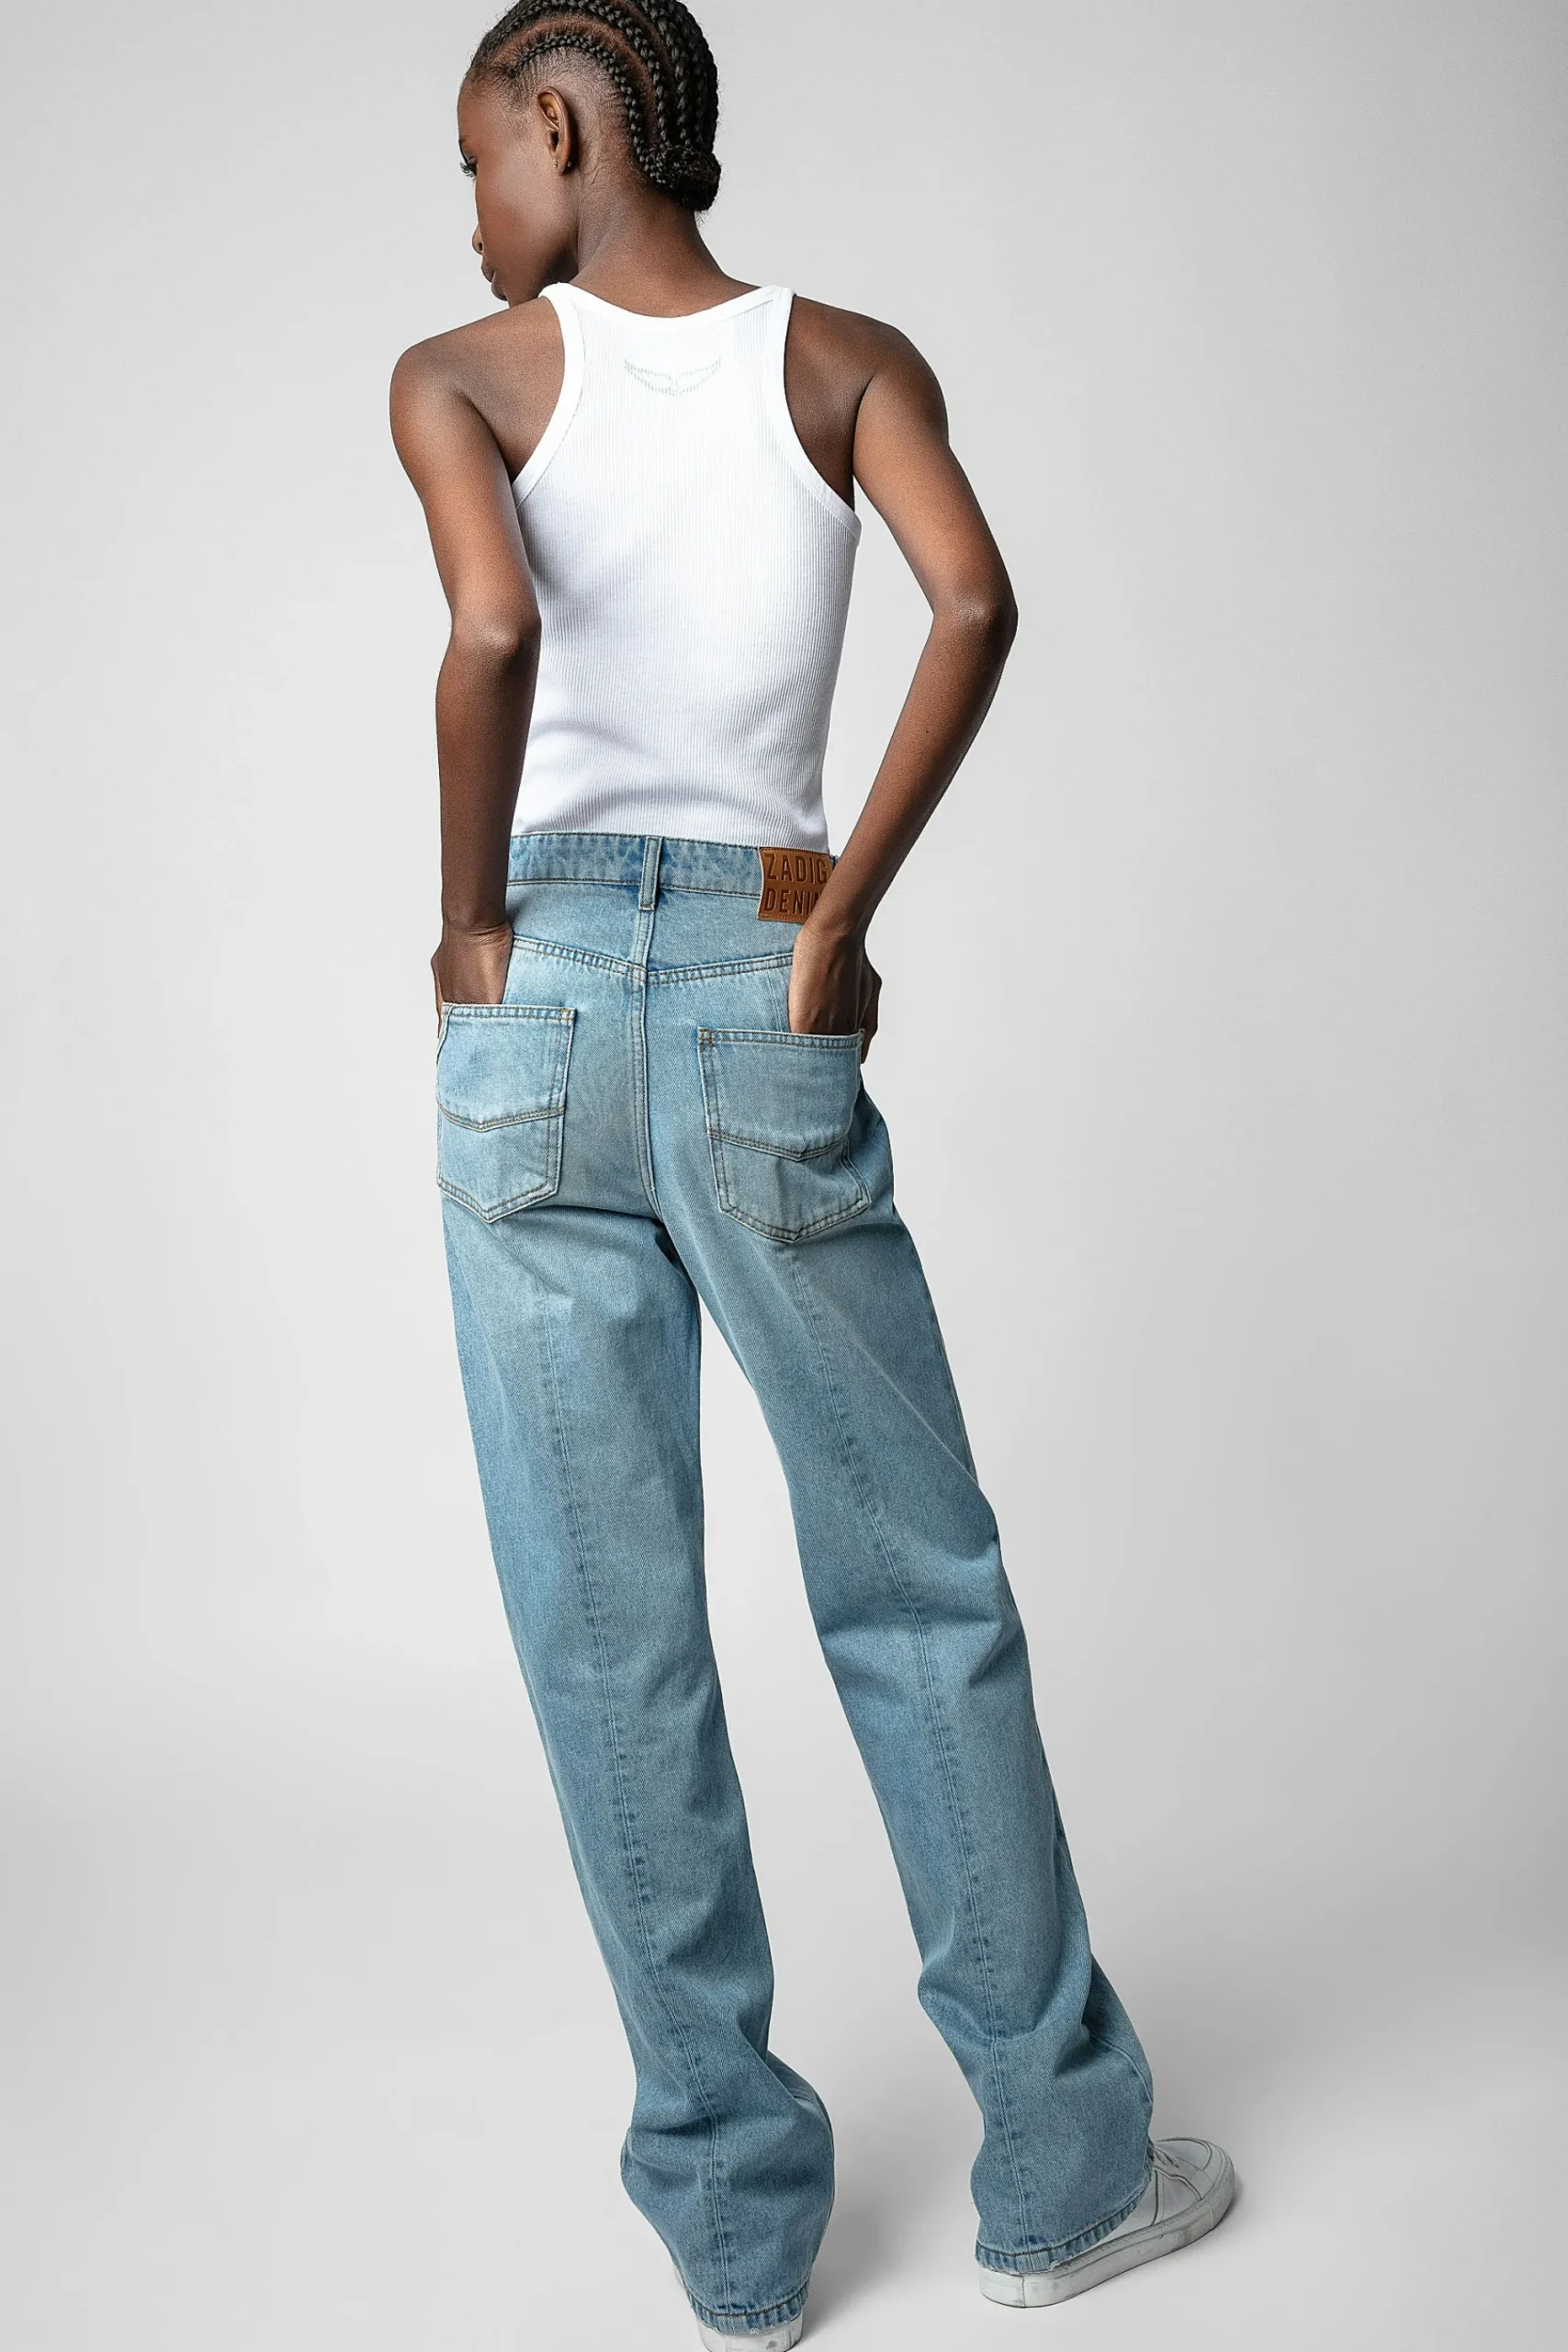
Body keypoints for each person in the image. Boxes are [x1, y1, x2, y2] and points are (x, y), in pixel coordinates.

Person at [390, 6, 1234, 2343]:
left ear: (562, 126)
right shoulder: (848, 362)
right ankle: (1065, 2177)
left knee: (607, 1629)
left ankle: (740, 2239)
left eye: (477, 163)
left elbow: (489, 624)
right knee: (914, 1578)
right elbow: (973, 601)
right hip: (762, 989)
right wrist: (837, 920)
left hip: (538, 997)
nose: (472, 214)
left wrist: (467, 929)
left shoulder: (461, 378)